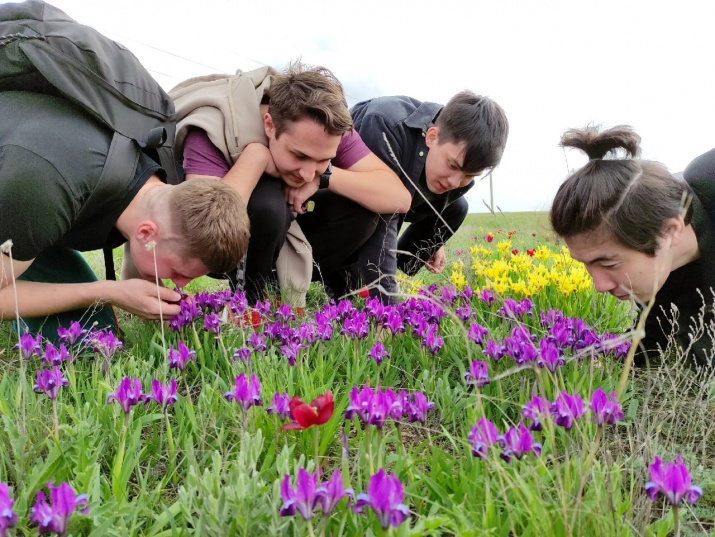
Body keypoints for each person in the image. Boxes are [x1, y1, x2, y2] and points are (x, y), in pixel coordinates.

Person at [0, 91, 250, 342]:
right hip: (22, 194)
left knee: (96, 333)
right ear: (146, 233)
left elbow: (137, 260)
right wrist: (107, 291)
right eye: (178, 271)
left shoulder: (162, 194)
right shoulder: (43, 195)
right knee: (82, 343)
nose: (182, 284)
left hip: (33, 199)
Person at [176, 62, 410, 304]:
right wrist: (256, 157)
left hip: (291, 229)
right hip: (225, 245)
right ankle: (250, 299)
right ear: (269, 125)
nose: (308, 174)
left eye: (323, 159)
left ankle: (280, 284)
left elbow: (399, 198)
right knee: (268, 206)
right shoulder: (218, 124)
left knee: (366, 202)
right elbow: (202, 231)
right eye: (300, 156)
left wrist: (326, 176)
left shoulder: (327, 130)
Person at [549, 124, 715, 367]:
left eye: (609, 263)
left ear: (670, 231)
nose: (599, 286)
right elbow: (654, 331)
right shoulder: (661, 263)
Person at [343, 91, 509, 303]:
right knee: (376, 228)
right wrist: (388, 310)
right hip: (335, 204)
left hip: (402, 199)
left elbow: (446, 193)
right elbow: (384, 213)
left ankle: (398, 269)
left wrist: (434, 236)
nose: (454, 182)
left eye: (469, 175)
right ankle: (349, 279)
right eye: (452, 165)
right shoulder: (385, 124)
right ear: (432, 136)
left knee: (457, 208)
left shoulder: (452, 150)